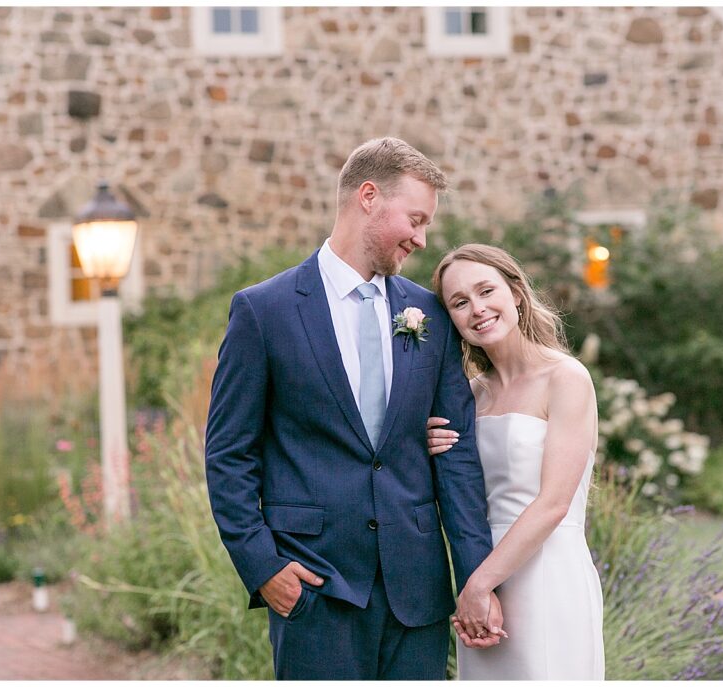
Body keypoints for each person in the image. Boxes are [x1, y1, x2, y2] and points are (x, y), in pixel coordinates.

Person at [205, 138, 500, 680]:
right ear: (368, 196)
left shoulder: (427, 314)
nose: (422, 237)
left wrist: (477, 579)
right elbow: (229, 453)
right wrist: (263, 567)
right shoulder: (263, 312)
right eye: (415, 218)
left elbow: (455, 459)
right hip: (314, 588)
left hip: (418, 594)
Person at [427, 243, 605, 680]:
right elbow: (458, 495)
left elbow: (553, 504)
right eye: (460, 302)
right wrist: (426, 448)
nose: (478, 309)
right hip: (483, 573)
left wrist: (478, 586)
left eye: (487, 291)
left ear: (517, 294)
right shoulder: (468, 396)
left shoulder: (565, 378)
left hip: (547, 571)